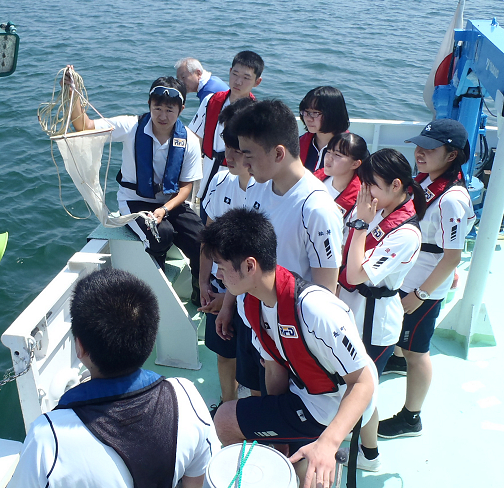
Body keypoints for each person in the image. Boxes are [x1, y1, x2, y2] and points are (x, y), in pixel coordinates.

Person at [0, 268, 215, 488]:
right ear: (149, 339)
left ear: (80, 347)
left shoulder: (48, 438)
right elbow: (198, 477)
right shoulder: (185, 394)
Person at [200, 208, 376, 488]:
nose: (217, 275)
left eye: (220, 266)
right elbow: (274, 368)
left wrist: (329, 443)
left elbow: (363, 382)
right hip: (302, 392)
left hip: (338, 405)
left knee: (226, 422)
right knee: (229, 418)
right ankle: (278, 480)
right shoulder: (249, 304)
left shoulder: (317, 310)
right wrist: (273, 435)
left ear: (249, 266)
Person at [214, 99, 344, 344]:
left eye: (248, 155)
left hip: (289, 335)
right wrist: (229, 304)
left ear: (278, 153)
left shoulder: (317, 209)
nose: (244, 163)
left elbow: (325, 292)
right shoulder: (257, 187)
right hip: (251, 319)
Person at [67, 73, 204, 304]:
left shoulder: (189, 140)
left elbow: (185, 188)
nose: (162, 115)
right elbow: (85, 126)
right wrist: (72, 94)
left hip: (170, 203)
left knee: (202, 240)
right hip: (135, 201)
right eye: (157, 108)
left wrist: (165, 210)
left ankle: (200, 296)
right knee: (162, 234)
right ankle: (154, 286)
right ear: (149, 105)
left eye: (170, 110)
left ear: (181, 110)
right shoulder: (130, 127)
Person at [378, 119, 476, 439]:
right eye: (420, 144)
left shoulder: (452, 199)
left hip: (422, 286)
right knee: (402, 340)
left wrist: (420, 295)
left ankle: (411, 418)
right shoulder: (428, 179)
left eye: (430, 148)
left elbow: (452, 256)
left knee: (418, 351)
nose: (420, 152)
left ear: (451, 155)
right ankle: (396, 359)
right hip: (410, 275)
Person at [337, 148, 424, 471]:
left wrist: (360, 223)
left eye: (371, 185)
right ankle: (356, 439)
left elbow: (357, 273)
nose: (365, 192)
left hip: (374, 325)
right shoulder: (381, 212)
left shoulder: (406, 234)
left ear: (396, 185)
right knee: (352, 386)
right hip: (353, 313)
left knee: (362, 392)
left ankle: (369, 455)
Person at [199, 99, 257, 411]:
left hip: (252, 295)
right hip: (224, 287)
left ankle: (254, 416)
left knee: (257, 362)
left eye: (236, 148)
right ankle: (227, 402)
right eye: (225, 145)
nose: (228, 155)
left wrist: (229, 301)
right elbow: (208, 241)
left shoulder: (267, 192)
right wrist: (203, 283)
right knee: (225, 352)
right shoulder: (221, 181)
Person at [189, 50, 264, 214]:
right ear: (229, 72)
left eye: (246, 78)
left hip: (237, 177)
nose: (238, 81)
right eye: (235, 74)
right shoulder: (211, 101)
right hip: (207, 172)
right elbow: (195, 136)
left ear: (257, 82)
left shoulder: (257, 114)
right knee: (204, 216)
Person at [313, 132, 368, 232]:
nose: (329, 158)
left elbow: (346, 242)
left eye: (337, 155)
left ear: (355, 164)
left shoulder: (359, 202)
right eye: (328, 151)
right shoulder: (316, 179)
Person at [298, 86, 351, 172]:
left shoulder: (351, 150)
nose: (308, 118)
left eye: (315, 113)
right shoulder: (298, 144)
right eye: (306, 112)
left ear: (333, 114)